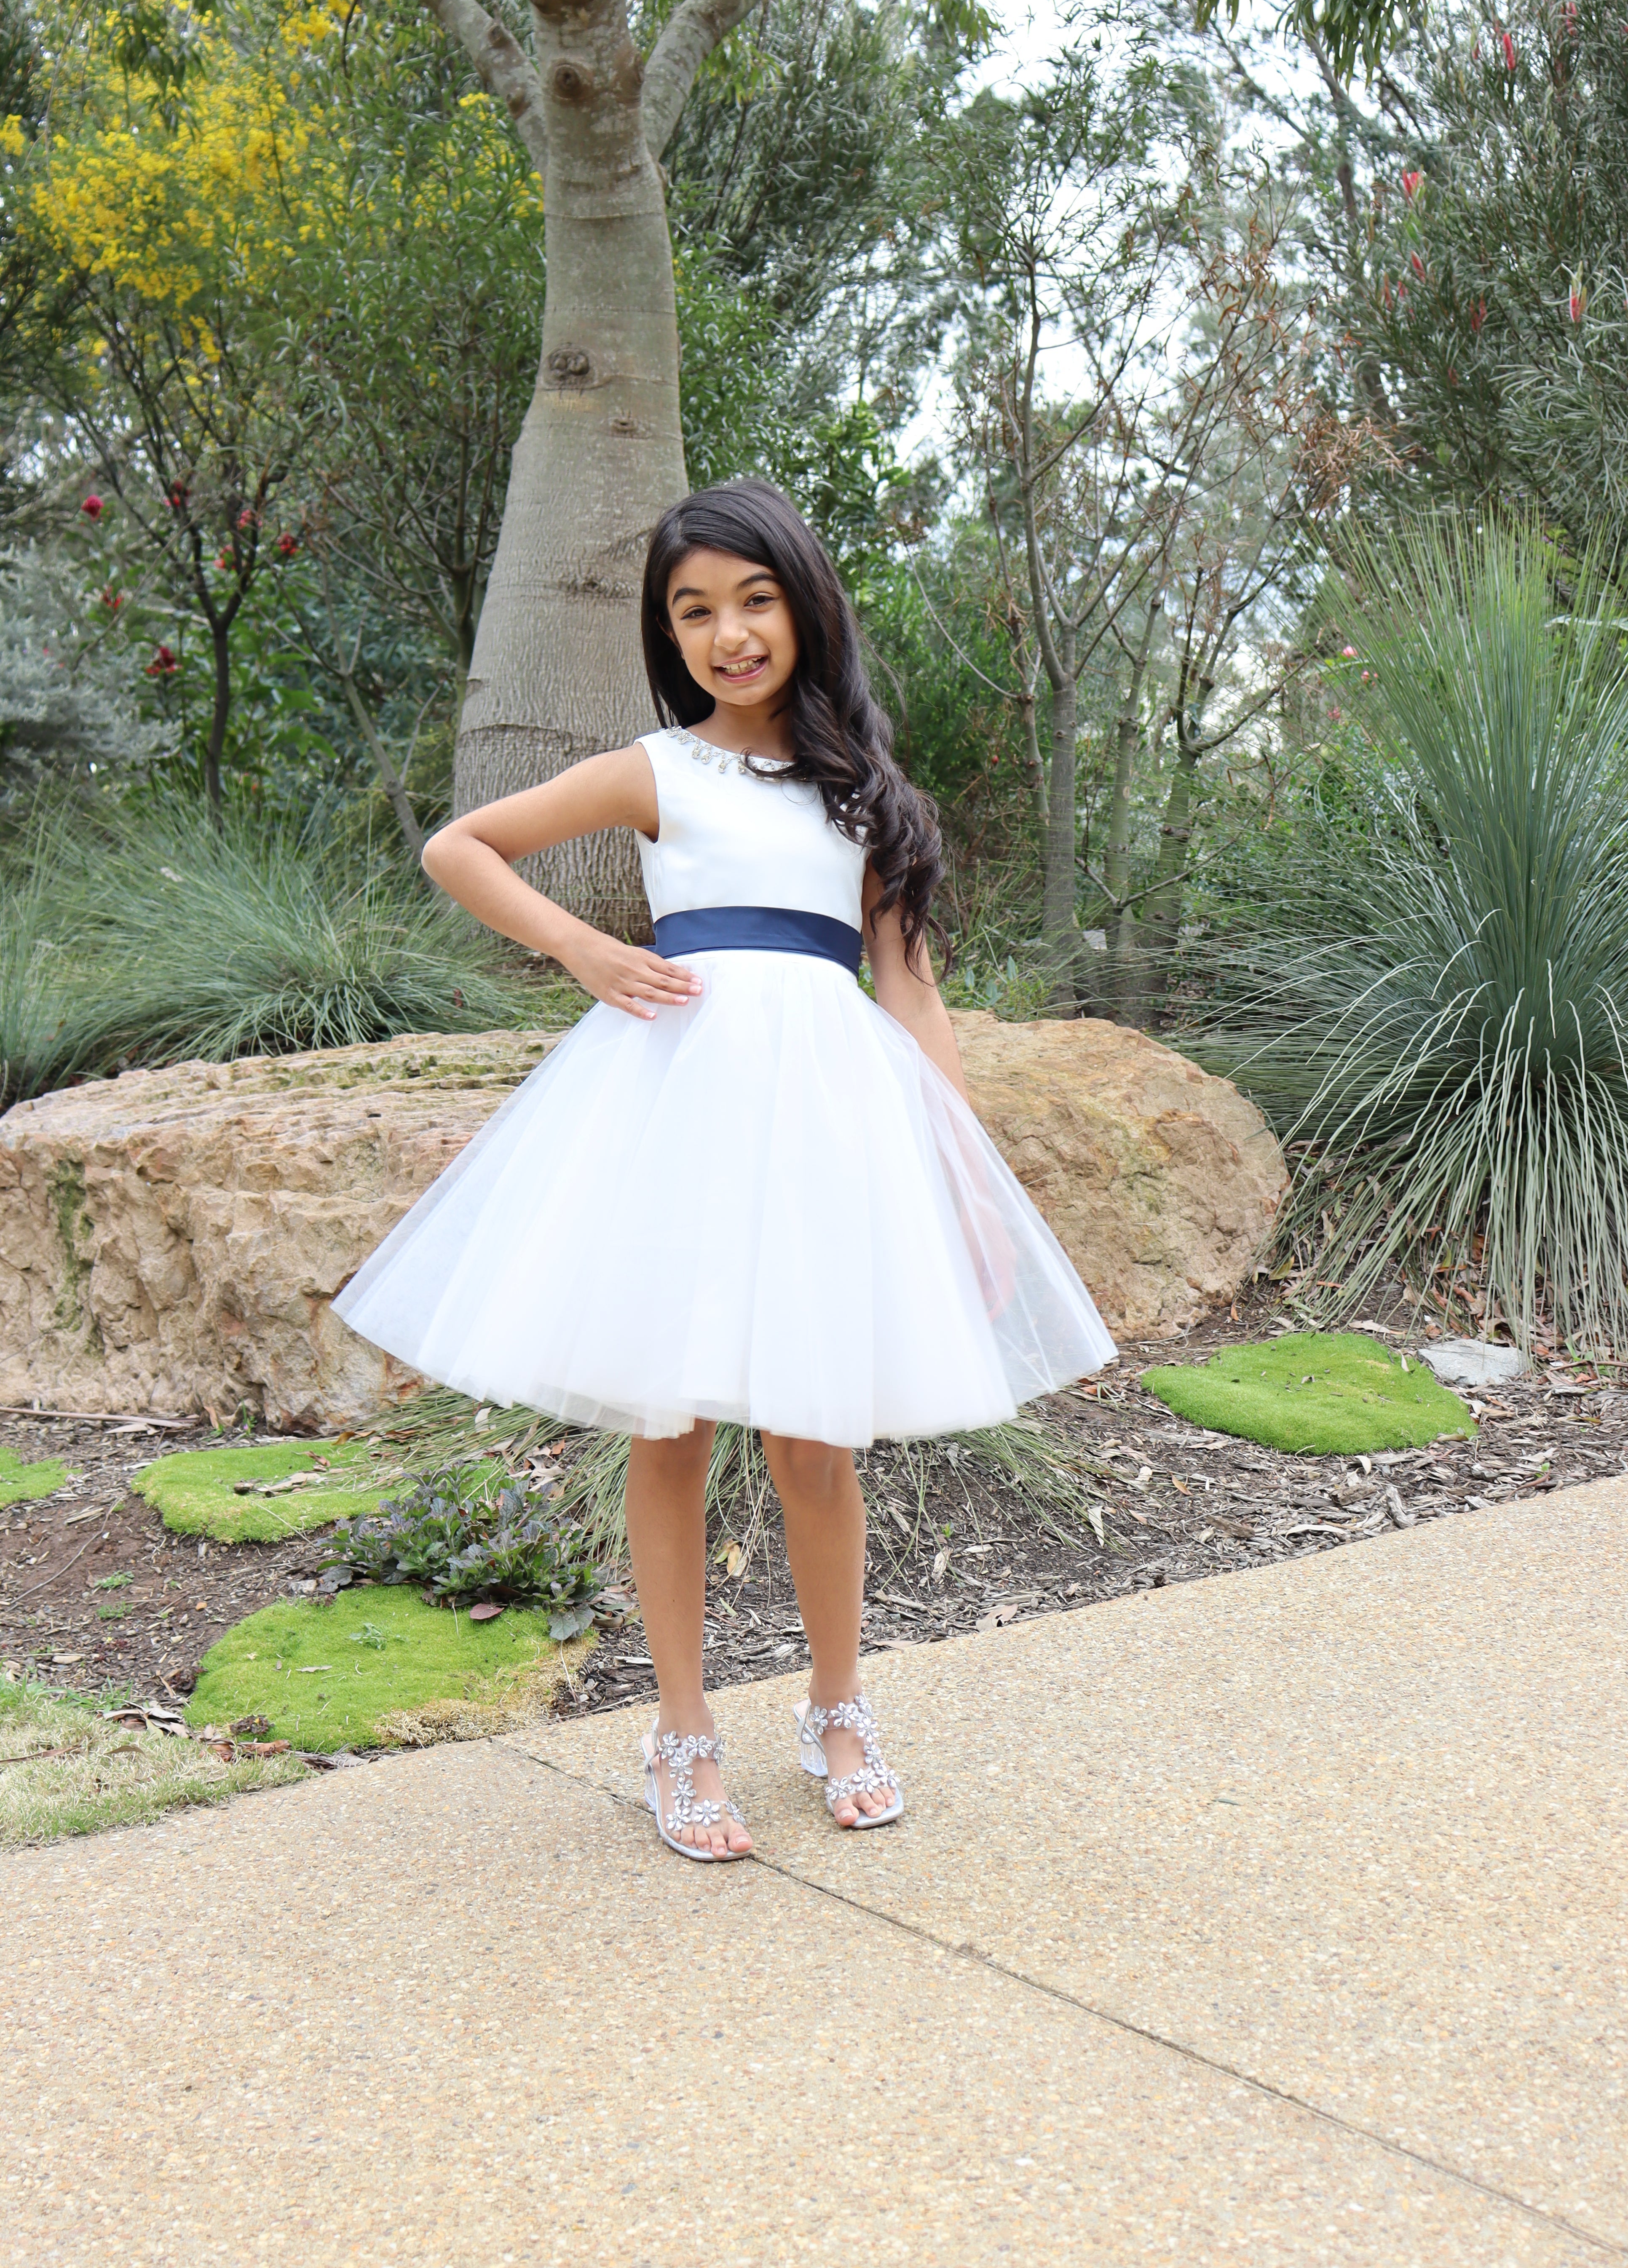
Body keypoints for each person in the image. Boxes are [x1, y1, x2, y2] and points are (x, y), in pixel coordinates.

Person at [332, 480, 1115, 1862]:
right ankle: (681, 1734)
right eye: (694, 610)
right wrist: (580, 949)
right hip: (677, 1116)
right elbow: (462, 846)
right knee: (671, 1422)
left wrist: (965, 1188)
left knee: (817, 1436)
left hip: (825, 1129)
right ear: (668, 633)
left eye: (753, 601)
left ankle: (837, 1707)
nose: (727, 633)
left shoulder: (869, 800)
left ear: (805, 609)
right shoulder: (658, 769)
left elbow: (912, 998)